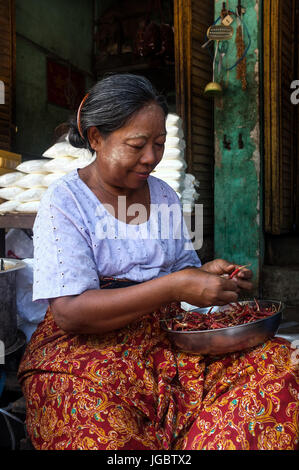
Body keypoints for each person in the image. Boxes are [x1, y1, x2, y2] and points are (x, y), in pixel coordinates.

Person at [18, 74, 298, 451]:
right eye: (137, 145)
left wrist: (206, 275)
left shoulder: (163, 194)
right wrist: (175, 286)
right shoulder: (65, 201)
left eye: (160, 144)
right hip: (83, 356)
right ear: (96, 138)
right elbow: (71, 312)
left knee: (280, 369)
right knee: (95, 430)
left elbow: (180, 266)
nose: (151, 157)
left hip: (165, 341)